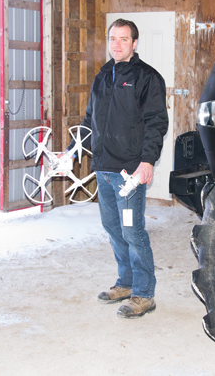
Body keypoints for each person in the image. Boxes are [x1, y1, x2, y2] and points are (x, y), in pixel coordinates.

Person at [65, 18, 168, 318]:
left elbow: (156, 123)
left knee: (132, 230)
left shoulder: (147, 78)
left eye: (124, 39)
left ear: (135, 44)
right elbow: (89, 121)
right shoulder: (102, 77)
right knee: (112, 228)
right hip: (104, 168)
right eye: (113, 38)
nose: (117, 44)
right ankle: (124, 283)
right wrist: (72, 152)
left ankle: (144, 293)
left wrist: (147, 161)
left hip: (129, 174)